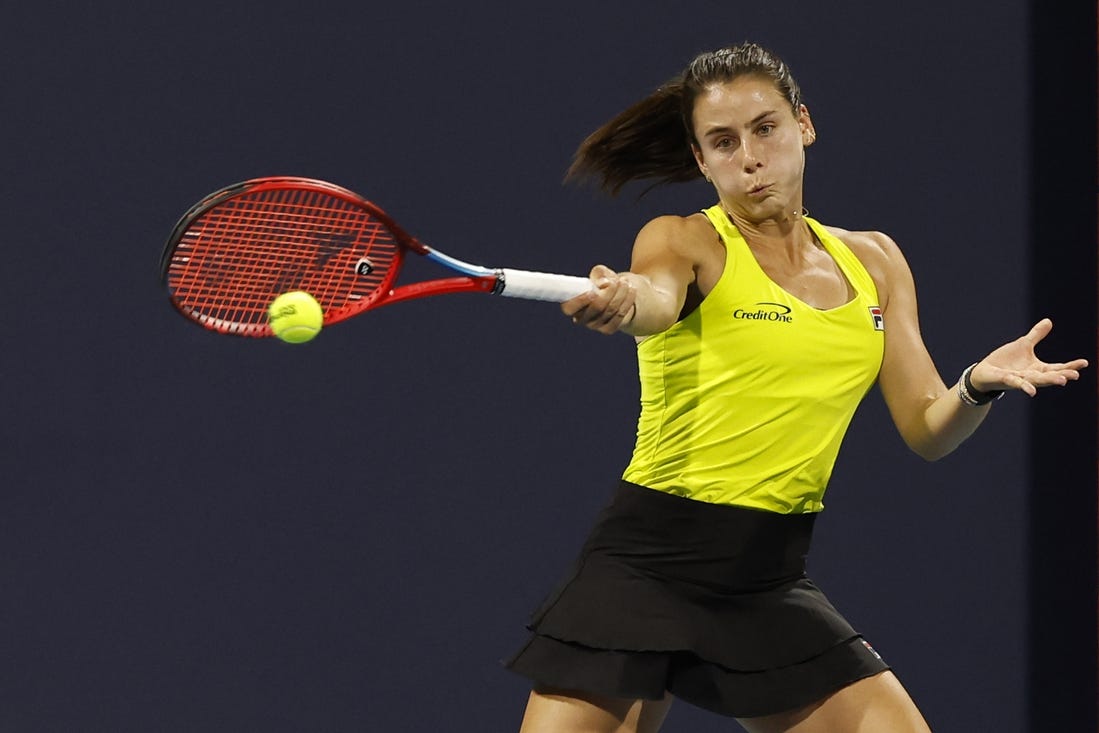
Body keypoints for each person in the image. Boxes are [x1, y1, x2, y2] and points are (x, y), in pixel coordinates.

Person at [504, 42, 1088, 733]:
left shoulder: (875, 261)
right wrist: (626, 300)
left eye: (765, 128)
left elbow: (928, 428)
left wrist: (976, 385)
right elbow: (655, 298)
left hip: (766, 578)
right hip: (645, 564)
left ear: (803, 124)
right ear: (700, 161)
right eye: (723, 142)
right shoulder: (683, 241)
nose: (750, 157)